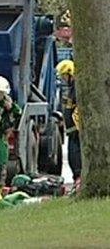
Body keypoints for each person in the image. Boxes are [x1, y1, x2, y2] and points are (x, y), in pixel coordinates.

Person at [0, 76, 21, 192]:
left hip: (2, 139)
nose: (4, 96)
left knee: (2, 167)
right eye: (2, 94)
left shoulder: (6, 103)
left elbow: (18, 112)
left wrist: (10, 106)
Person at [56, 59, 81, 192]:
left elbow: (75, 110)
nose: (63, 79)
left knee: (75, 154)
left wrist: (75, 128)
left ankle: (78, 178)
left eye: (64, 75)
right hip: (72, 129)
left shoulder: (76, 88)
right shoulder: (72, 88)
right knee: (73, 155)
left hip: (75, 130)